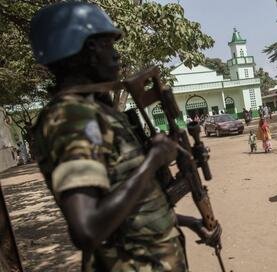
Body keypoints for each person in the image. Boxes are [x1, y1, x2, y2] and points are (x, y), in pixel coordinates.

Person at [29, 3, 220, 271]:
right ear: (82, 51)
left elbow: (131, 207)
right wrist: (153, 160)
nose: (117, 56)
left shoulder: (97, 112)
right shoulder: (71, 118)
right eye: (107, 45)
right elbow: (87, 228)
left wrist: (186, 221)